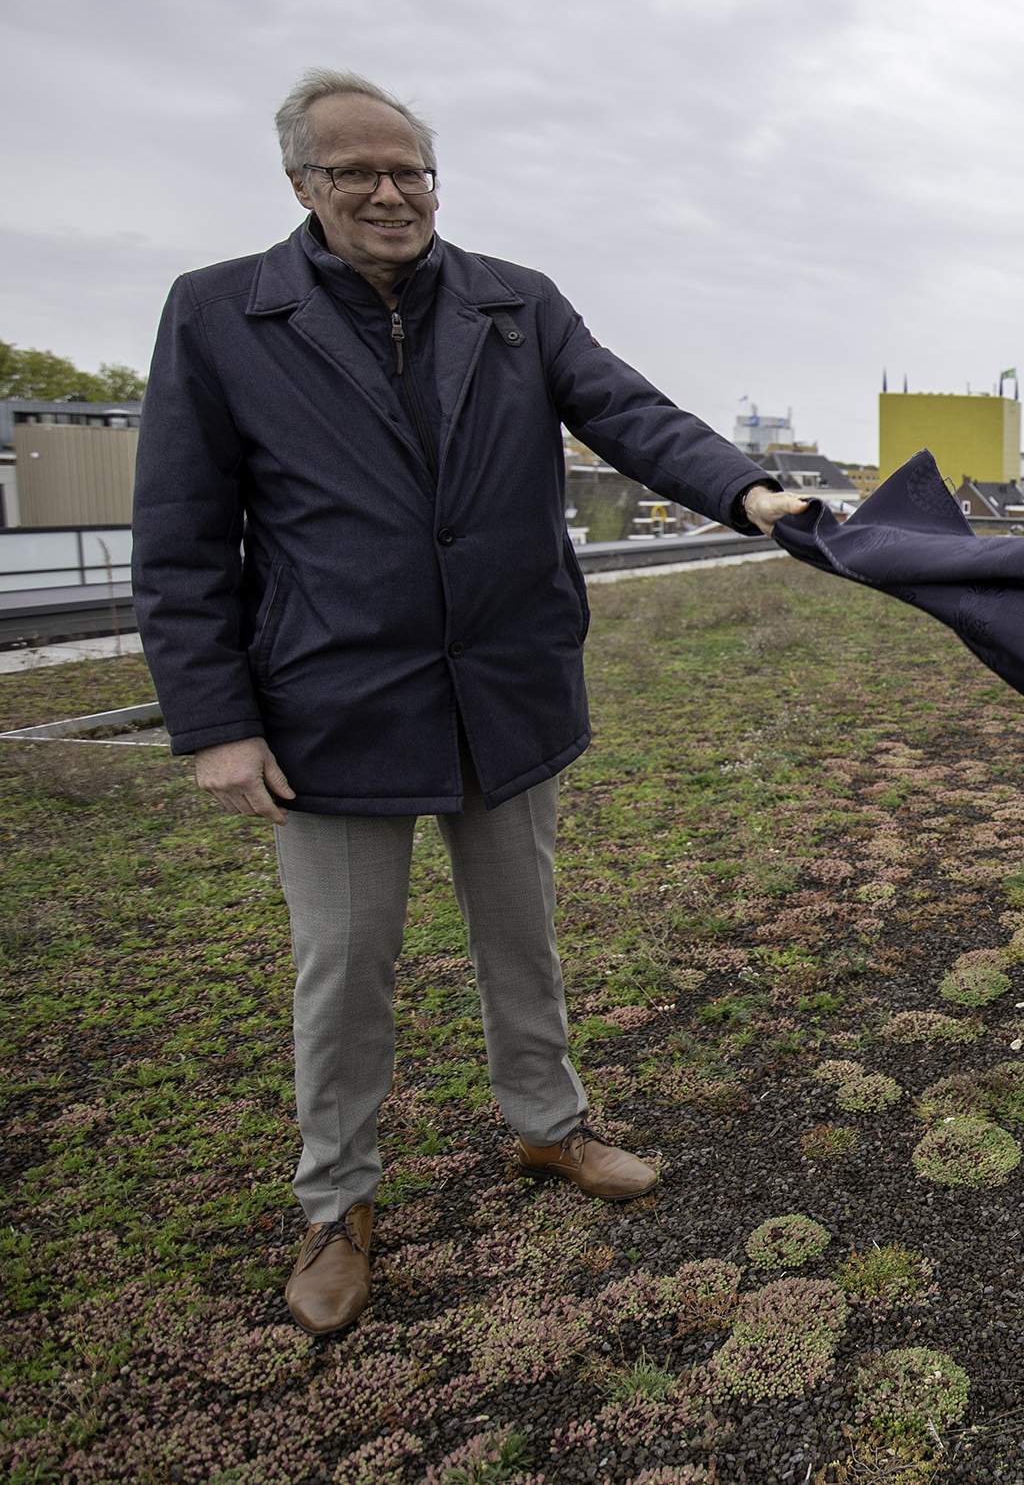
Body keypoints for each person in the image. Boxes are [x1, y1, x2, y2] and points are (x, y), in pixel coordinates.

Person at [134, 68, 812, 1336]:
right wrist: (216, 721)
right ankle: (337, 1200)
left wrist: (750, 492)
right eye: (356, 172)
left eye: (411, 170)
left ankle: (549, 1125)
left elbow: (628, 412)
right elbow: (180, 531)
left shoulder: (516, 301)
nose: (390, 193)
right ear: (302, 183)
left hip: (504, 687)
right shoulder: (220, 313)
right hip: (332, 704)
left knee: (522, 933)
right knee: (345, 965)